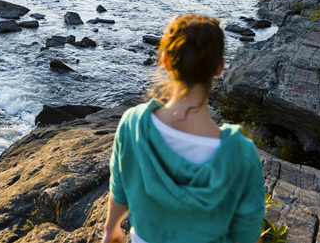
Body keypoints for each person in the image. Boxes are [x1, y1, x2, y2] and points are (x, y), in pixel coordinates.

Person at [103, 14, 265, 243]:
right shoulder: (241, 154)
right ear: (220, 67)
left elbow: (119, 189)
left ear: (167, 61)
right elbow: (247, 235)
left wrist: (111, 229)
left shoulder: (133, 125)